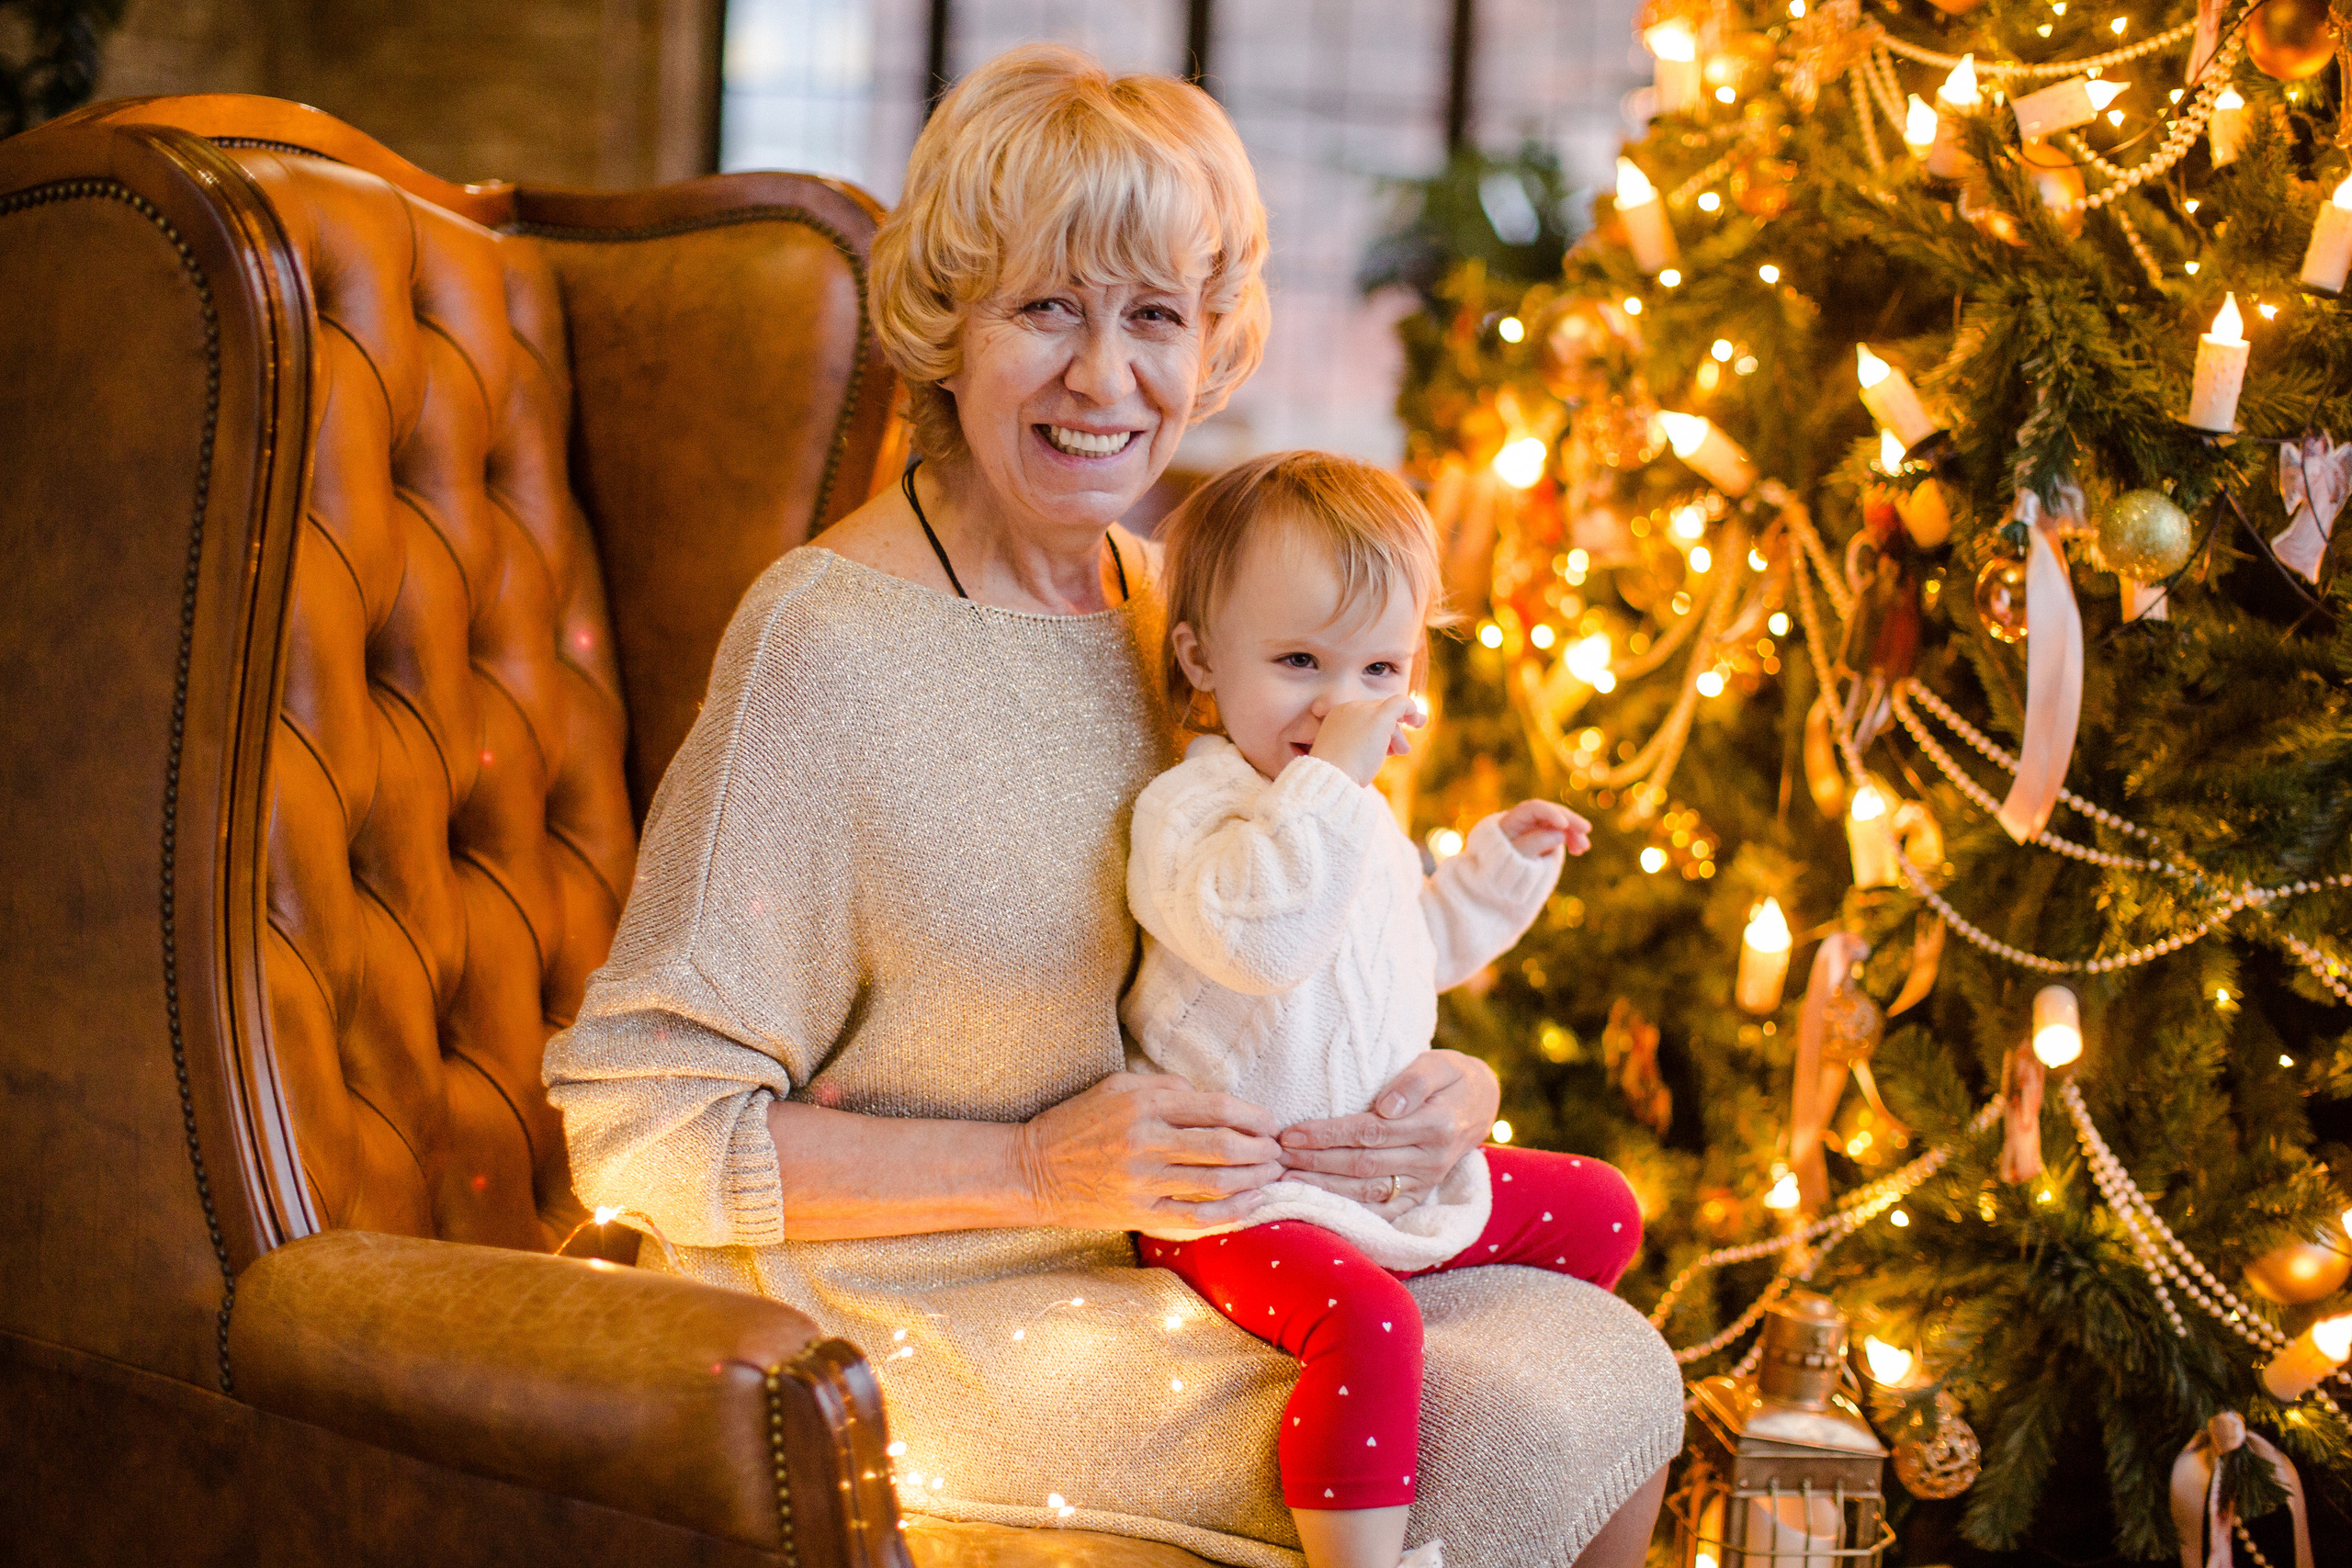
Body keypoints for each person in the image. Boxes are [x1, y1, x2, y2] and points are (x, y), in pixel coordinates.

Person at [542, 42, 1681, 1568]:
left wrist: (1433, 1089)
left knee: (1599, 1357)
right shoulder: (824, 644)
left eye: (1153, 315)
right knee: (1499, 1412)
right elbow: (642, 1127)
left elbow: (1295, 929)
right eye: (1046, 308)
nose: (1106, 375)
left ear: (1211, 341)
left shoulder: (1182, 622)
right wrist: (1031, 1167)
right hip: (930, 1303)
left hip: (1199, 1249)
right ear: (949, 328)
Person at [1125, 451, 1639, 1568]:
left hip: (1376, 1176)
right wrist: (1334, 787)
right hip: (1236, 1202)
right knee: (1369, 1326)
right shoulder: (1191, 812)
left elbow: (1406, 958)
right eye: (1299, 660)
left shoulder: (1350, 814)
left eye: (1376, 669)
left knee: (1602, 1208)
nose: (1338, 703)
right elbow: (1265, 941)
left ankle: (1420, 1313)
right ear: (1201, 659)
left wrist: (1498, 871)